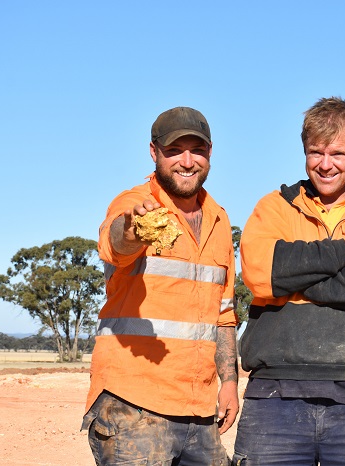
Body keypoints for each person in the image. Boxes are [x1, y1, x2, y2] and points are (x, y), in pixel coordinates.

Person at [233, 97, 345, 465]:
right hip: (274, 396)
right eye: (316, 152)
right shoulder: (274, 208)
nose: (326, 164)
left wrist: (293, 277)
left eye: (338, 153)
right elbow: (259, 273)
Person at [82, 107, 239, 465]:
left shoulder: (219, 219)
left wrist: (229, 382)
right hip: (133, 405)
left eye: (196, 150)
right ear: (154, 153)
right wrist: (132, 231)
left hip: (198, 409)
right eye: (174, 150)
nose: (187, 161)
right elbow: (114, 243)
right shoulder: (135, 205)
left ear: (210, 153)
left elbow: (224, 313)